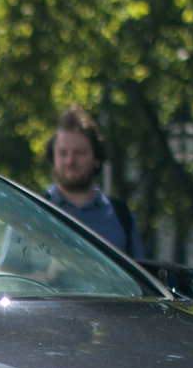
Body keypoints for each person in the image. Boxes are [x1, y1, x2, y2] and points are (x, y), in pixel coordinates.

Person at [41, 106, 139, 258]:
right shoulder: (32, 211)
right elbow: (8, 275)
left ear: (97, 159)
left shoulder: (121, 216)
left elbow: (140, 279)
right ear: (52, 158)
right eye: (62, 153)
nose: (70, 161)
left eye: (79, 153)